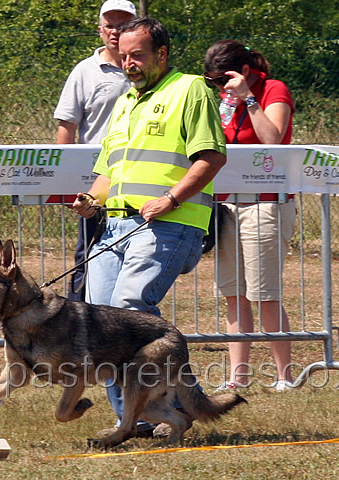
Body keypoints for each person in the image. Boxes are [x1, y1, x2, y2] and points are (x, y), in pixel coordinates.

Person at [73, 18, 227, 437]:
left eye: (137, 55)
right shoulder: (126, 101)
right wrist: (92, 199)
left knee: (129, 310)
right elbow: (108, 170)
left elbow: (211, 157)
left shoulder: (190, 89)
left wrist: (171, 198)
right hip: (116, 228)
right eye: (123, 57)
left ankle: (174, 406)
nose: (129, 64)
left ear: (162, 54)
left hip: (170, 222)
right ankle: (137, 419)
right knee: (100, 330)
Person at [203, 40, 296, 392]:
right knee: (234, 293)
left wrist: (249, 98)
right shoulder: (223, 100)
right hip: (228, 204)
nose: (219, 87)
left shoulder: (273, 89)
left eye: (222, 79)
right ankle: (236, 377)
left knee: (264, 292)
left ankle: (283, 376)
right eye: (212, 82)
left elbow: (273, 141)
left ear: (242, 71)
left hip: (266, 202)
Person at [53, 0, 136, 301]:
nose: (116, 31)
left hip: (137, 183)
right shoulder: (85, 71)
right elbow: (67, 127)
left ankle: (123, 327)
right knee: (88, 257)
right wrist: (69, 184)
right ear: (100, 30)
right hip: (96, 185)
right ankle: (77, 326)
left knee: (134, 259)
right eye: (110, 25)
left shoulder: (148, 68)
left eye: (124, 24)